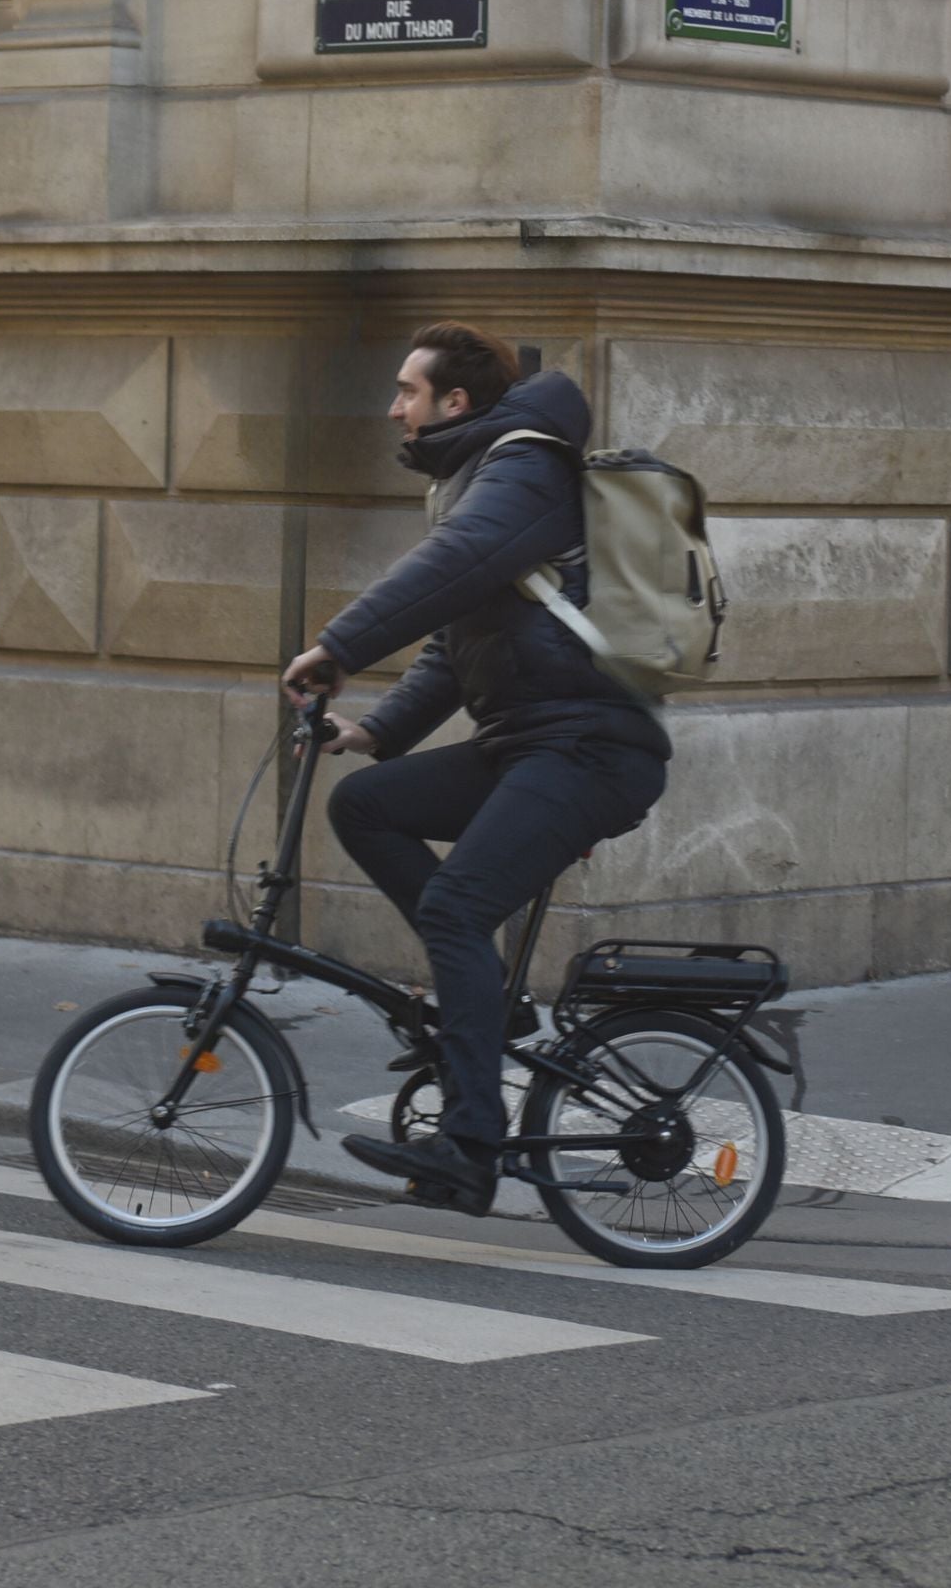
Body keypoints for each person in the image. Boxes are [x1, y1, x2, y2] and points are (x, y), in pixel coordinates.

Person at [283, 322, 671, 1216]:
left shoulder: (522, 466)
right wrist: (372, 734)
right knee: (368, 806)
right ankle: (485, 1009)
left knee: (457, 908)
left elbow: (450, 568)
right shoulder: (480, 474)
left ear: (454, 402)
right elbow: (456, 639)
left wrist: (337, 645)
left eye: (406, 391)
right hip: (527, 742)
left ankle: (470, 1144)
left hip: (590, 749)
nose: (392, 408)